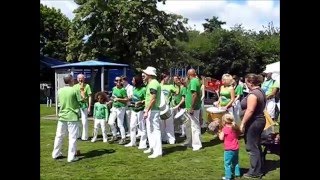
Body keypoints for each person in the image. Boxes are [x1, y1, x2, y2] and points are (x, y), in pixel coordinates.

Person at [240, 73, 266, 179]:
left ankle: (255, 172)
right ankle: (259, 168)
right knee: (256, 145)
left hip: (254, 121)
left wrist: (242, 123)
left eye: (246, 82)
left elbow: (250, 110)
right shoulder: (260, 91)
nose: (246, 84)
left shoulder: (253, 94)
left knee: (252, 146)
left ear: (250, 82)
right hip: (259, 120)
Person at [52, 74, 82, 162]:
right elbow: (81, 101)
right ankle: (71, 157)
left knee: (59, 136)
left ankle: (55, 154)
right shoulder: (75, 90)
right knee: (72, 137)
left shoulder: (60, 90)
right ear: (71, 80)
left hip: (62, 116)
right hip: (72, 116)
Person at [142, 66, 162, 158]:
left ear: (149, 74)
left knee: (155, 130)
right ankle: (153, 148)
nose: (143, 75)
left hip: (153, 110)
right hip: (151, 109)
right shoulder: (151, 83)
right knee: (151, 130)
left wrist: (147, 110)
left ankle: (157, 152)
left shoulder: (153, 83)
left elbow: (153, 99)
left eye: (145, 73)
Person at [181, 68, 202, 151]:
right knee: (190, 125)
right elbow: (191, 90)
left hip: (193, 108)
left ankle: (197, 144)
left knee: (195, 126)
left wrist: (192, 107)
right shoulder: (194, 81)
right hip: (190, 107)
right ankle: (191, 142)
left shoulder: (193, 81)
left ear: (188, 75)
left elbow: (194, 95)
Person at [124, 75, 147, 149]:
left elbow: (147, 99)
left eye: (133, 80)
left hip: (141, 110)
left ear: (137, 81)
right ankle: (132, 142)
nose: (132, 81)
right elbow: (132, 98)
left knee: (142, 127)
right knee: (132, 126)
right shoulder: (134, 89)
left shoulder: (144, 89)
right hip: (134, 110)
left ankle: (143, 144)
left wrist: (141, 102)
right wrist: (130, 98)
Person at [218, 113, 241, 180]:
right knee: (235, 162)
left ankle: (228, 177)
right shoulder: (235, 127)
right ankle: (237, 174)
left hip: (228, 149)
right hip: (236, 148)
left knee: (227, 164)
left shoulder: (225, 129)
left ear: (224, 121)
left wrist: (219, 132)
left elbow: (221, 138)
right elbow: (238, 134)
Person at [108, 76, 128, 145]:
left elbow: (126, 100)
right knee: (110, 122)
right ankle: (114, 135)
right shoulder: (114, 88)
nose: (118, 82)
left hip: (121, 108)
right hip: (114, 107)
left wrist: (119, 99)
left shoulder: (123, 90)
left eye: (119, 80)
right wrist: (110, 101)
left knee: (120, 124)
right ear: (114, 82)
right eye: (117, 80)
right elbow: (113, 97)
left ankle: (123, 138)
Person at [74, 74, 92, 141]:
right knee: (77, 121)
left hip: (84, 105)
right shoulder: (75, 86)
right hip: (77, 105)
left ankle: (85, 137)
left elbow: (90, 96)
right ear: (77, 79)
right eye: (79, 78)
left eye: (81, 78)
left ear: (84, 79)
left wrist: (89, 107)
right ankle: (78, 135)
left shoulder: (87, 86)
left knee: (84, 121)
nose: (80, 80)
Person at [160, 72, 176, 144]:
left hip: (168, 107)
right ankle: (163, 138)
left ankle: (171, 139)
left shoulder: (170, 86)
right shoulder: (158, 86)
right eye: (168, 77)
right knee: (161, 124)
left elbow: (177, 92)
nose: (169, 79)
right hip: (160, 108)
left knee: (169, 123)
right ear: (164, 77)